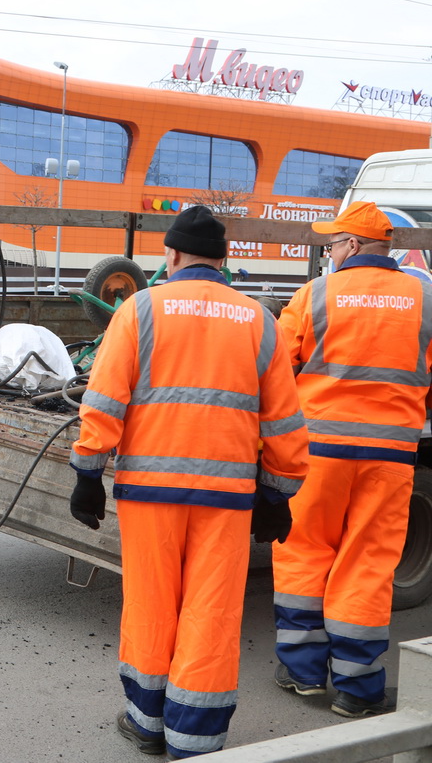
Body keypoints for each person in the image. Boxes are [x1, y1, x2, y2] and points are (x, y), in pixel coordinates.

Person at [67, 205, 309, 759]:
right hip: (226, 498)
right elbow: (285, 421)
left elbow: (103, 401)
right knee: (211, 612)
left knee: (151, 605)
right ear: (223, 261)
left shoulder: (137, 310)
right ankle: (195, 739)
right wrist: (277, 492)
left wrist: (87, 472)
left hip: (149, 492)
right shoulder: (258, 320)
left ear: (171, 256)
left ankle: (146, 722)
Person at [271, 200, 432, 718]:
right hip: (389, 454)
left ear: (354, 245)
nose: (329, 252)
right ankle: (357, 692)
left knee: (304, 550)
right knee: (368, 562)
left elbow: (275, 368)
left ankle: (302, 674)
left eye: (333, 243)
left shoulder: (314, 294)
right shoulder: (426, 298)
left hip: (317, 451)